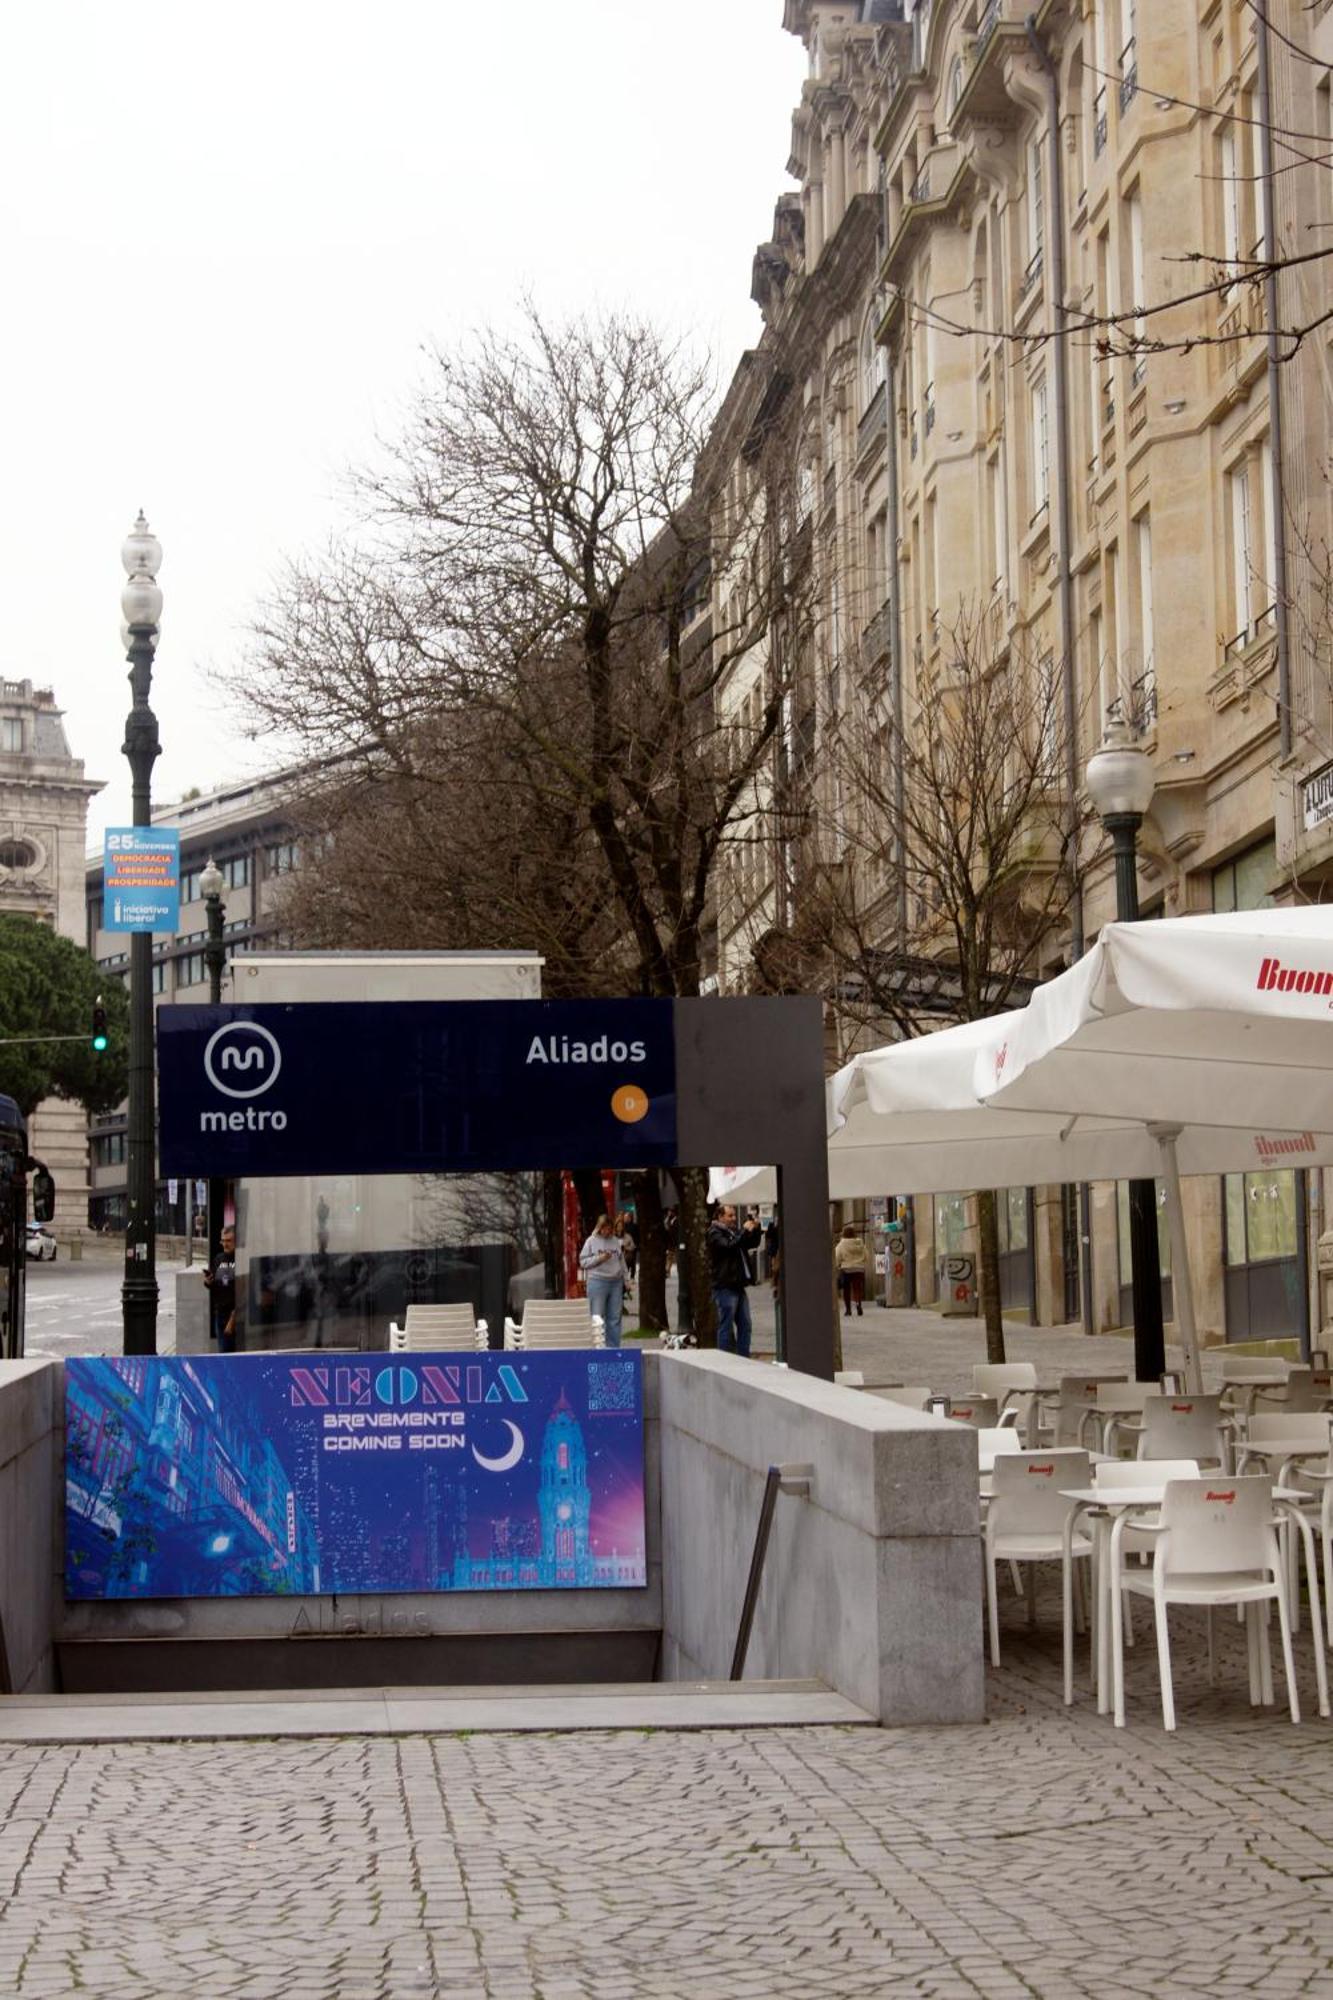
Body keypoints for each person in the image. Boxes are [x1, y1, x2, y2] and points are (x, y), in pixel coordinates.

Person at [707, 1203, 752, 1357]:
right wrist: (744, 1231)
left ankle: (744, 1358)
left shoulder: (732, 1231)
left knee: (745, 1324)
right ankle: (724, 1360)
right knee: (726, 1324)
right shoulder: (714, 1233)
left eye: (734, 1215)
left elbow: (749, 1243)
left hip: (738, 1284)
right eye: (730, 1216)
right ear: (720, 1217)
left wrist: (755, 1230)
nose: (734, 1219)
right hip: (725, 1285)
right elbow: (728, 1246)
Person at [579, 1214, 627, 1348]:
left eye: (610, 1229)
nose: (607, 1232)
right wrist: (599, 1258)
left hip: (615, 1281)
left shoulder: (615, 1241)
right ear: (599, 1228)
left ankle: (613, 1347)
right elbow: (583, 1261)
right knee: (597, 1316)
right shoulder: (591, 1241)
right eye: (605, 1229)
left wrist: (626, 1279)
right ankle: (597, 1347)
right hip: (597, 1281)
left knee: (614, 1318)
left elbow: (621, 1261)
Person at [203, 1225, 238, 1352]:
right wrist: (208, 1282)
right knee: (223, 1353)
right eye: (223, 1240)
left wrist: (233, 1318)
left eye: (229, 1240)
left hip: (236, 1314)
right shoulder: (219, 1258)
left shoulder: (241, 1258)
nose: (225, 1244)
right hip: (220, 1314)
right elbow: (215, 1285)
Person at [834, 1224, 869, 1318]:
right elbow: (866, 1255)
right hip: (859, 1269)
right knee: (857, 1288)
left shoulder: (842, 1244)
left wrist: (837, 1266)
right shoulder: (860, 1243)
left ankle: (848, 1310)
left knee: (847, 1290)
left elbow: (837, 1257)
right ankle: (858, 1304)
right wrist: (862, 1263)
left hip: (847, 1269)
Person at [616, 1210, 638, 1283]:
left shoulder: (633, 1228)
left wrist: (627, 1247)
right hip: (616, 1257)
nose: (620, 1228)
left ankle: (631, 1277)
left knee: (631, 1263)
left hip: (628, 1253)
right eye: (618, 1226)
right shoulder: (612, 1237)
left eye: (626, 1217)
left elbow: (633, 1243)